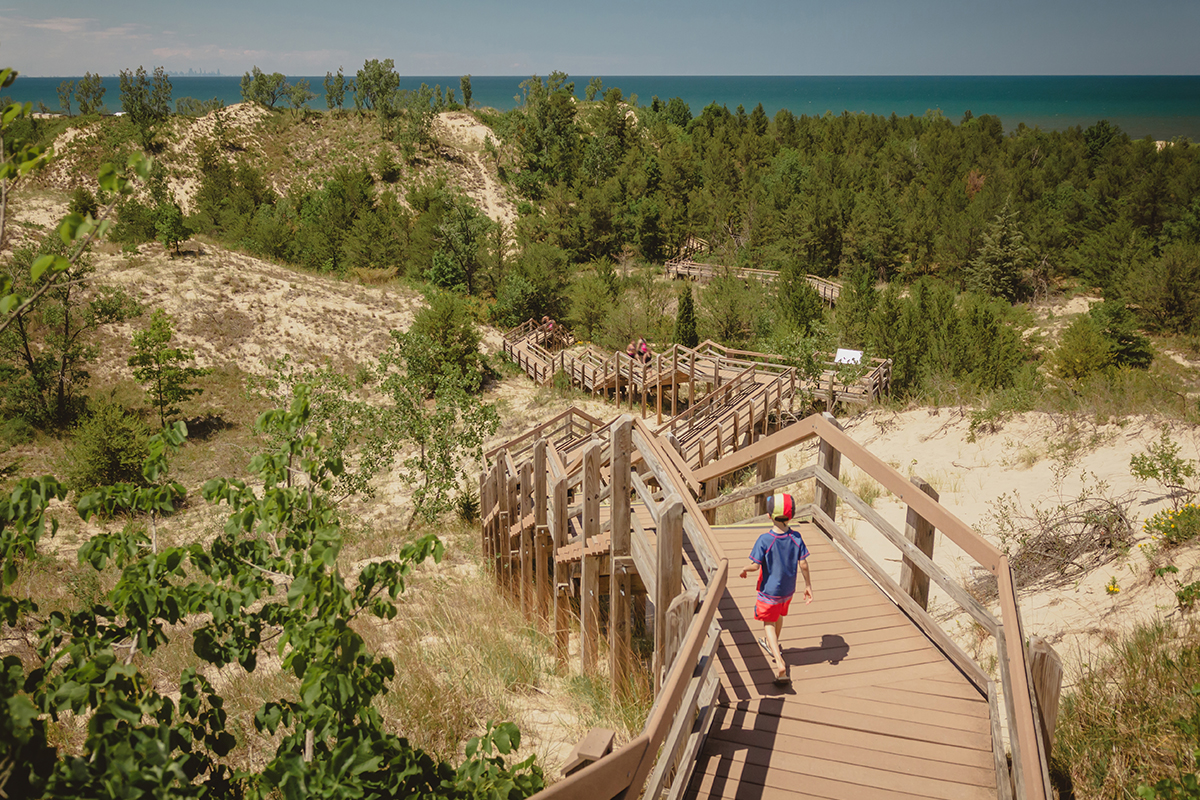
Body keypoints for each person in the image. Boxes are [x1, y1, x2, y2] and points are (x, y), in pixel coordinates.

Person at [739, 492, 812, 685]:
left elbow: (755, 566)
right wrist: (808, 586)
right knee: (778, 616)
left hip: (769, 591)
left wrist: (744, 569)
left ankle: (780, 663)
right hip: (788, 591)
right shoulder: (796, 537)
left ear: (769, 516)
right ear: (792, 515)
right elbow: (803, 564)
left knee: (768, 623)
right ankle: (774, 645)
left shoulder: (765, 540)